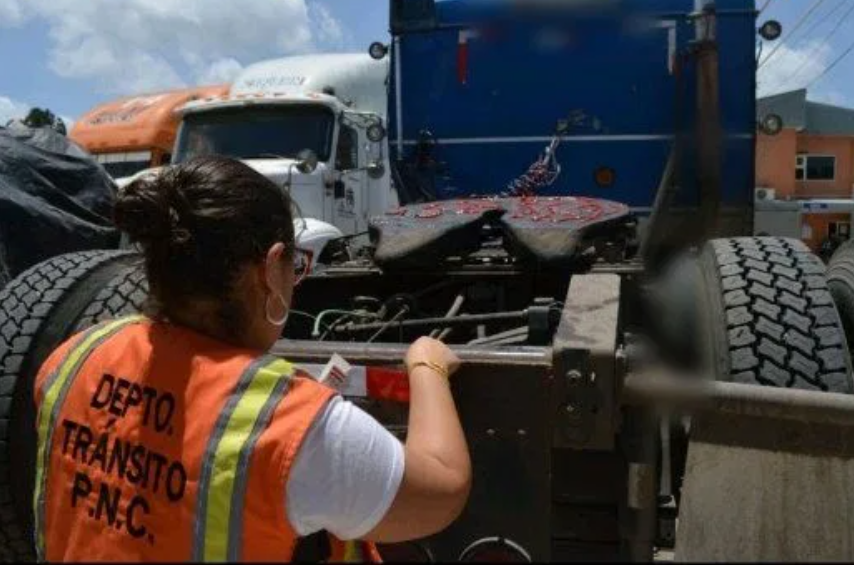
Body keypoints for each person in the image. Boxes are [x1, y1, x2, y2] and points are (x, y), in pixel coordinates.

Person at [32, 156, 471, 562]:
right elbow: (441, 489)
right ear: (271, 266)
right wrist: (427, 365)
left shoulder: (74, 356)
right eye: (294, 266)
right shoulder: (288, 424)